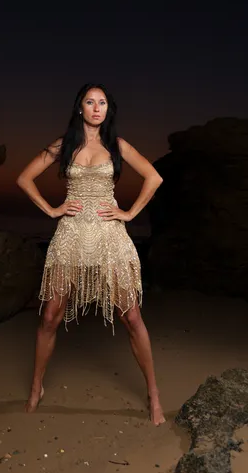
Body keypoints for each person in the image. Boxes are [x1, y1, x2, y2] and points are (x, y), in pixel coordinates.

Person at [16, 83, 165, 425]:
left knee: (131, 316)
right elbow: (25, 178)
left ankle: (153, 394)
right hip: (70, 235)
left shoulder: (117, 146)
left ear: (107, 111)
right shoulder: (63, 145)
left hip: (110, 236)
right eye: (90, 102)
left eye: (102, 103)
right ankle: (36, 388)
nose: (96, 108)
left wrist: (129, 213)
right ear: (79, 107)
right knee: (51, 315)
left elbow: (153, 178)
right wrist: (52, 209)